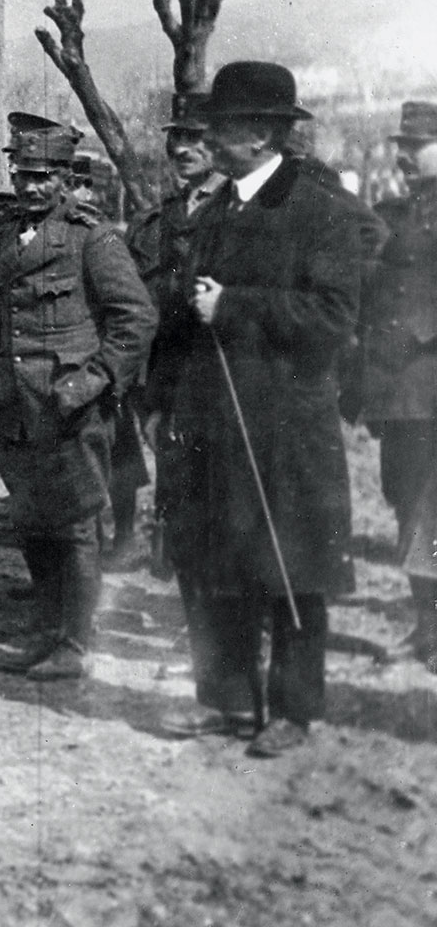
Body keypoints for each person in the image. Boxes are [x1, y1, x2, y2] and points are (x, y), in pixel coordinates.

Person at [151, 63, 381, 755]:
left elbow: (335, 316)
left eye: (221, 126)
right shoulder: (219, 208)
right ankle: (225, 700)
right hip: (214, 419)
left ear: (257, 133)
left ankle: (291, 712)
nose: (210, 138)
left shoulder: (321, 210)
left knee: (291, 567)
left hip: (286, 424)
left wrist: (236, 306)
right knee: (219, 563)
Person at [0, 121, 156, 682]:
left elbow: (135, 319)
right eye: (23, 175)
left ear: (64, 178)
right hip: (15, 406)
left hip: (69, 408)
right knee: (32, 524)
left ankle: (75, 644)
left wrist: (92, 382)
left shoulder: (91, 238)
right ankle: (48, 631)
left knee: (76, 525)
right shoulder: (7, 234)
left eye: (44, 177)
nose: (31, 187)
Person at [122, 93, 227, 575]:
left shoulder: (241, 211)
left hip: (227, 373)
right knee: (177, 478)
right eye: (176, 138)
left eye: (196, 138)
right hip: (171, 373)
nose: (183, 149)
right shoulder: (159, 218)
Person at [355, 99, 437, 673]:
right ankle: (426, 627)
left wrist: (418, 330)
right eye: (401, 146)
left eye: (417, 145)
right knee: (406, 504)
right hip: (400, 390)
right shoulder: (398, 214)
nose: (404, 155)